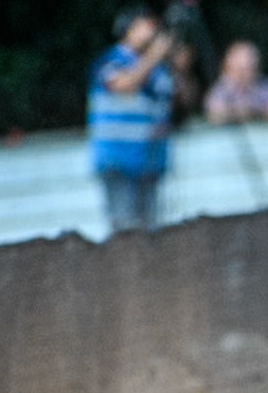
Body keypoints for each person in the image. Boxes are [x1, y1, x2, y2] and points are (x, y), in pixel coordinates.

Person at [89, 7, 176, 232]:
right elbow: (124, 85)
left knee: (151, 229)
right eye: (144, 26)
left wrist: (179, 64)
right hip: (118, 159)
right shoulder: (111, 60)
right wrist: (154, 55)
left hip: (150, 158)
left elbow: (177, 98)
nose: (151, 32)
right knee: (124, 230)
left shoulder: (158, 68)